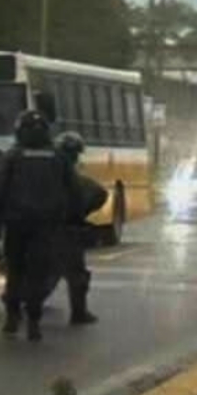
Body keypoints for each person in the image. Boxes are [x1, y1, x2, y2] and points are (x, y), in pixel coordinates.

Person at [0, 110, 81, 342]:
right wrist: (71, 218)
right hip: (46, 225)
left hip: (16, 223)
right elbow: (75, 190)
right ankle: (33, 322)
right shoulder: (58, 157)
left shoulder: (12, 156)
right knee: (38, 273)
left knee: (15, 270)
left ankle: (12, 318)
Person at [55, 132, 110, 326]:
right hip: (63, 231)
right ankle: (79, 312)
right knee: (77, 273)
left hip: (37, 228)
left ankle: (13, 308)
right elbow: (99, 194)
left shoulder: (38, 172)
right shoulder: (76, 180)